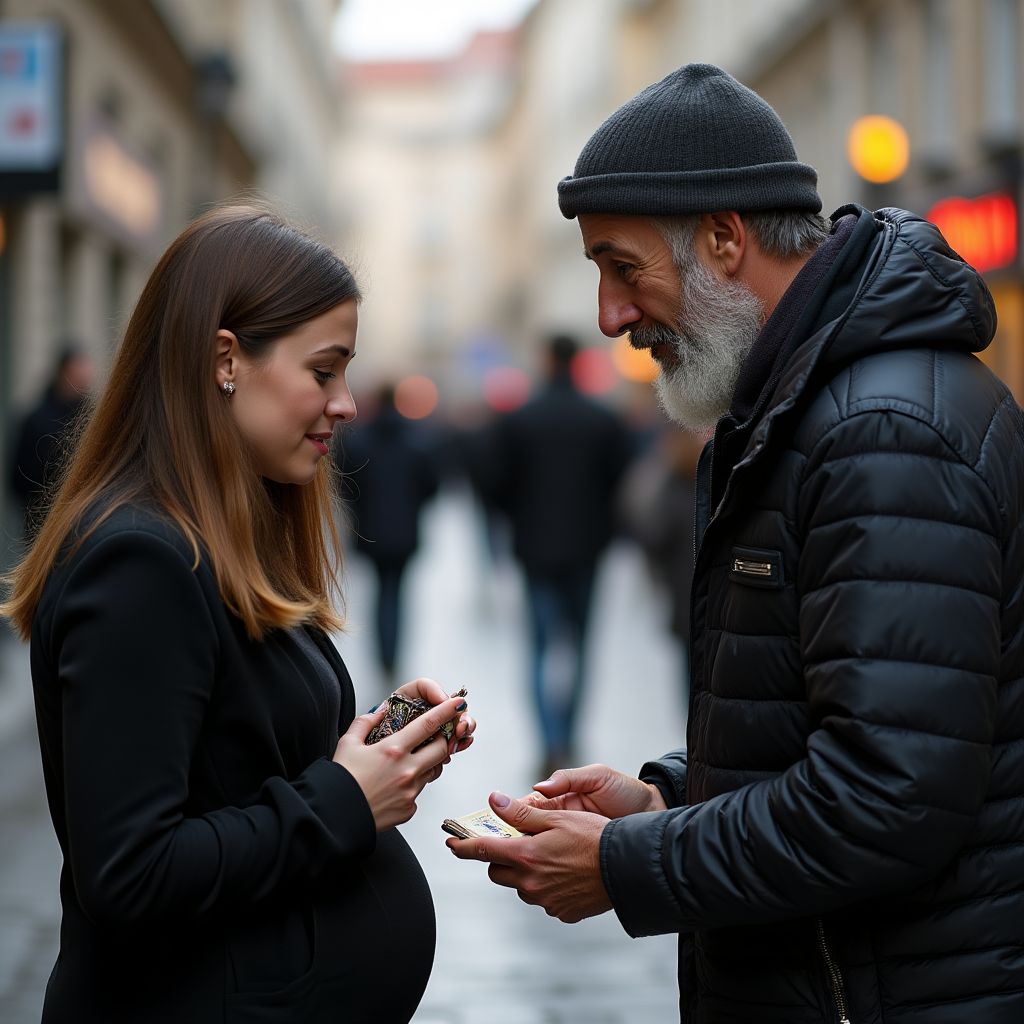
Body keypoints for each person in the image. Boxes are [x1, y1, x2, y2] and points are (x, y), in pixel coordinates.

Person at [448, 63, 1024, 1023]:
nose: (610, 317)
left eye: (623, 268)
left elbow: (891, 795)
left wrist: (627, 865)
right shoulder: (801, 410)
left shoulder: (881, 430)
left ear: (724, 239)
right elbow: (842, 726)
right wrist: (664, 799)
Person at [0, 203, 475, 1024]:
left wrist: (374, 748)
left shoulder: (223, 535)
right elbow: (133, 873)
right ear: (227, 359)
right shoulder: (140, 563)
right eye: (324, 371)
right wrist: (345, 799)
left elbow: (232, 763)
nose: (348, 403)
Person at [477, 334, 634, 777]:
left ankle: (549, 739)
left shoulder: (520, 420)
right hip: (588, 548)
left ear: (547, 359)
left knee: (541, 649)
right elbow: (619, 482)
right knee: (581, 646)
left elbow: (495, 485)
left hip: (536, 549)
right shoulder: (602, 419)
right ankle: (569, 733)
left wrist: (522, 518)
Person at [337, 383, 441, 691]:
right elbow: (431, 485)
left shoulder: (360, 441)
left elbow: (346, 485)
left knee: (381, 594)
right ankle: (392, 655)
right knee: (397, 594)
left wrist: (361, 512)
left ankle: (383, 657)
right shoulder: (415, 440)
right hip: (405, 533)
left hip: (370, 532)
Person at [7, 344, 93, 539]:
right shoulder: (36, 419)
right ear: (64, 373)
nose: (85, 378)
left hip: (84, 521)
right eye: (79, 371)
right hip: (42, 525)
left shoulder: (93, 418)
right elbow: (17, 478)